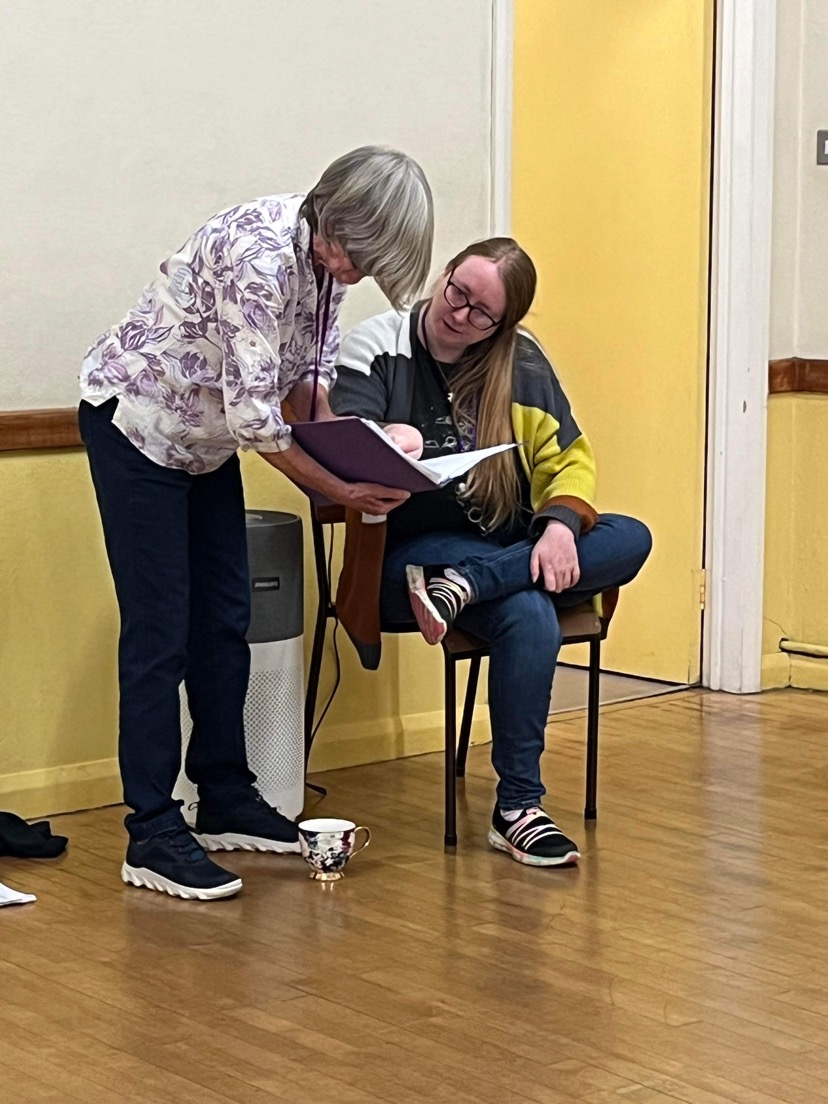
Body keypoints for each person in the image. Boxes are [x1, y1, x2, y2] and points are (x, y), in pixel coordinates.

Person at [78, 146, 433, 900]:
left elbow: (308, 398)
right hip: (137, 430)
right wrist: (341, 487)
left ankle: (225, 794)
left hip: (201, 446)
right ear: (333, 217)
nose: (359, 273)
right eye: (358, 254)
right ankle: (151, 831)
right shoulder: (262, 256)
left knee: (225, 618)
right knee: (159, 631)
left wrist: (366, 463)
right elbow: (261, 426)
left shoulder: (325, 268)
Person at [330, 237, 652, 868]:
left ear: (504, 325)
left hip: (495, 552)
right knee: (530, 607)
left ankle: (475, 585)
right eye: (458, 293)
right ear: (445, 273)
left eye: (483, 314)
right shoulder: (378, 342)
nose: (461, 315)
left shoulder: (521, 363)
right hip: (407, 558)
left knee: (633, 534)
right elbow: (344, 438)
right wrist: (387, 440)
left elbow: (570, 459)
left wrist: (559, 525)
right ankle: (520, 808)